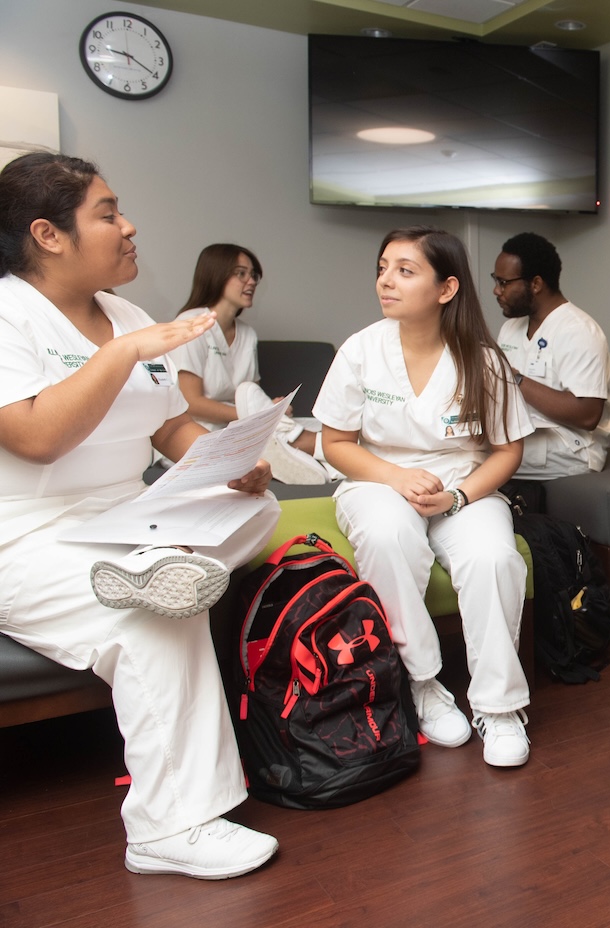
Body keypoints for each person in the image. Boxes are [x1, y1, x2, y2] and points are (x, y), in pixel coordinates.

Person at [0, 152, 281, 878]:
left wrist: (227, 459)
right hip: (29, 535)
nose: (129, 227)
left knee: (257, 506)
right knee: (157, 615)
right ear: (48, 234)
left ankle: (159, 569)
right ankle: (168, 829)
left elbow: (167, 430)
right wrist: (123, 353)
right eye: (107, 213)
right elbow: (35, 438)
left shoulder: (124, 313)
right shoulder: (9, 314)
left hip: (130, 519)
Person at [314, 225, 535, 767]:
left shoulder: (483, 361)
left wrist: (458, 497)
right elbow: (336, 443)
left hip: (462, 484)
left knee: (494, 558)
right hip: (375, 478)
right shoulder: (361, 350)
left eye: (405, 271)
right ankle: (423, 683)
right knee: (389, 536)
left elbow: (508, 452)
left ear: (446, 288)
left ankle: (498, 706)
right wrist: (395, 476)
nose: (386, 281)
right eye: (383, 267)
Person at [168, 243, 330, 485]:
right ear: (216, 275)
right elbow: (190, 402)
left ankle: (321, 456)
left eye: (253, 275)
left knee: (315, 423)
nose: (252, 281)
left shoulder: (247, 334)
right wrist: (255, 415)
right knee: (283, 429)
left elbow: (248, 394)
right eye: (241, 273)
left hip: (239, 424)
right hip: (200, 429)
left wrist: (270, 408)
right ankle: (314, 447)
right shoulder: (190, 324)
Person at [492, 232, 610, 480]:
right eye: (496, 280)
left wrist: (515, 380)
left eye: (504, 283)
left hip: (568, 447)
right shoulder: (510, 329)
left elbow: (588, 415)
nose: (496, 290)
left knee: (472, 460)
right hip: (522, 434)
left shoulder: (578, 330)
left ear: (536, 284)